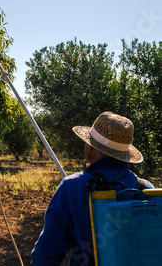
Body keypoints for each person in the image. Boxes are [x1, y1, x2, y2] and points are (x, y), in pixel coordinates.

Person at [30, 111, 154, 266]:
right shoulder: (146, 189)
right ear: (125, 154)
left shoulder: (71, 187)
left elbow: (45, 255)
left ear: (90, 149)